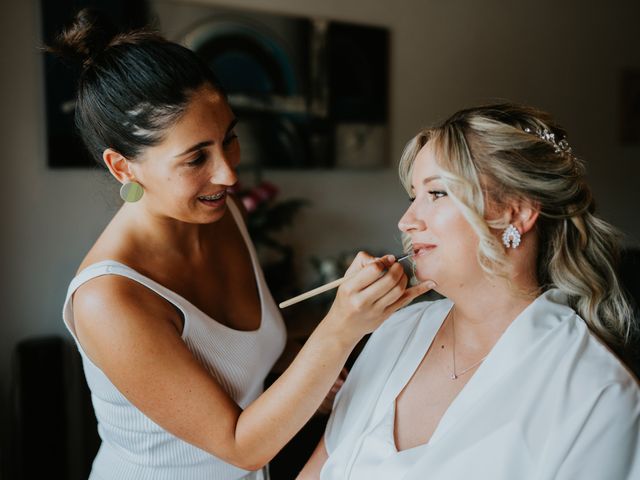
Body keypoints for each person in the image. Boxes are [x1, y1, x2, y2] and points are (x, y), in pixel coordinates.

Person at [54, 9, 432, 480]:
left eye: (229, 138)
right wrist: (341, 327)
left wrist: (313, 382)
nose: (229, 173)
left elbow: (243, 365)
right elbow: (239, 445)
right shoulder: (108, 299)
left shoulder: (220, 213)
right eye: (196, 157)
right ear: (123, 168)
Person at [298, 103, 640, 479]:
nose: (407, 221)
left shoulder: (595, 392)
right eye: (414, 196)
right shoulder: (394, 332)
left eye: (438, 193)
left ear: (516, 212)